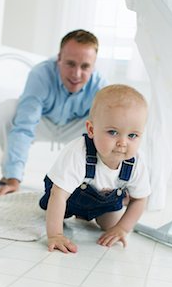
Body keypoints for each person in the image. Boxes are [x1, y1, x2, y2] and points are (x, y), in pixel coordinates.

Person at [0, 29, 107, 198]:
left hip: (76, 129)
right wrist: (14, 179)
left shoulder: (100, 85)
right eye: (70, 64)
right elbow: (24, 126)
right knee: (8, 110)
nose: (76, 74)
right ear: (59, 59)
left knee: (104, 127)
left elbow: (105, 137)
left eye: (85, 66)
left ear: (93, 66)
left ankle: (90, 185)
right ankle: (9, 176)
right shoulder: (40, 74)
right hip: (42, 123)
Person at [39, 84, 151, 253]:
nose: (123, 142)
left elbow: (140, 199)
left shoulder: (136, 162)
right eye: (113, 132)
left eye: (132, 135)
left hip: (104, 204)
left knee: (111, 225)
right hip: (67, 198)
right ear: (91, 130)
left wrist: (122, 228)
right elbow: (59, 195)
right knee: (53, 213)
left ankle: (92, 215)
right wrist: (55, 235)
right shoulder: (78, 153)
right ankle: (74, 215)